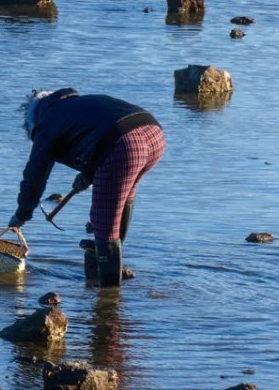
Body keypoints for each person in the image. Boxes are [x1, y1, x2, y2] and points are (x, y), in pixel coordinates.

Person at [9, 88, 165, 286]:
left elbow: (35, 174)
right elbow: (100, 131)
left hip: (124, 145)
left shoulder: (46, 122)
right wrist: (89, 172)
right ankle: (102, 268)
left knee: (104, 221)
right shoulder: (77, 104)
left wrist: (22, 214)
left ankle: (109, 299)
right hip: (154, 135)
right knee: (124, 196)